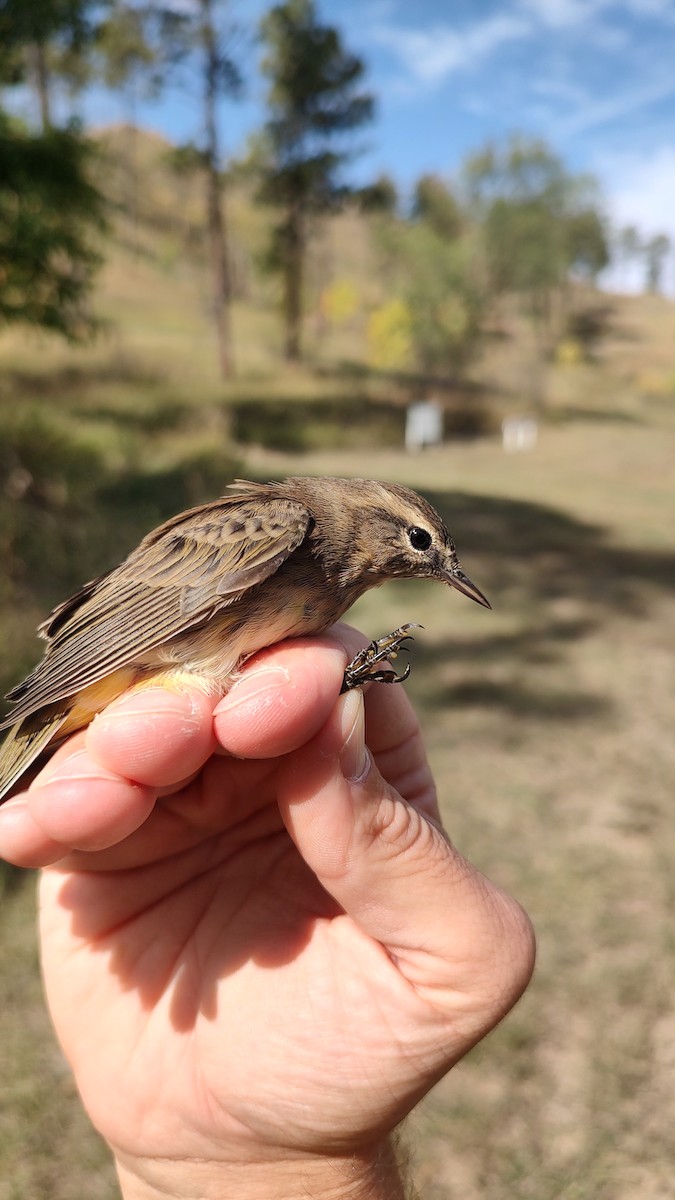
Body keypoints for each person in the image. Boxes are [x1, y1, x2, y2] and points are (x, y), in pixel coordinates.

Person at [0, 626, 535, 1200]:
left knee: (266, 707)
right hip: (143, 659)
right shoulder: (287, 532)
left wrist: (263, 1168)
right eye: (420, 543)